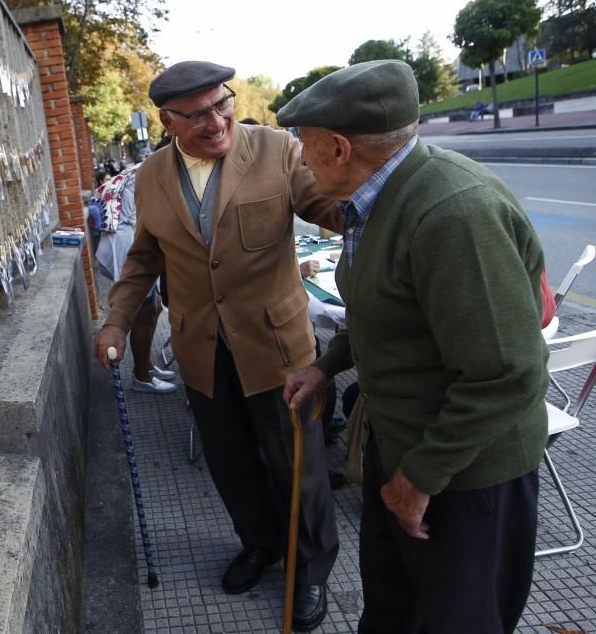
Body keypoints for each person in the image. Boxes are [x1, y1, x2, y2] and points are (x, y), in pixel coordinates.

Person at [279, 60, 548, 634]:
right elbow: (381, 311)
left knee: (458, 620)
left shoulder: (452, 213)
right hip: (405, 450)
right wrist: (327, 367)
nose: (299, 158)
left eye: (303, 144)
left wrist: (417, 479)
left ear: (338, 147)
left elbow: (507, 373)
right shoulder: (375, 200)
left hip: (466, 474)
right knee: (392, 610)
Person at [95, 60, 342, 631]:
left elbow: (329, 207)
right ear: (168, 120)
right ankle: (260, 543)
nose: (216, 121)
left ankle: (310, 568)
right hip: (201, 349)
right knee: (229, 460)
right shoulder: (151, 176)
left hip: (278, 346)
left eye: (221, 104)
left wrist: (372, 201)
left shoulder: (277, 149)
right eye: (198, 113)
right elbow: (143, 260)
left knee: (295, 463)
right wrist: (115, 320)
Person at [95, 166, 176, 393]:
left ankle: (147, 366)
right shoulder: (160, 171)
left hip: (126, 237)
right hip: (125, 243)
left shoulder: (147, 169)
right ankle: (141, 376)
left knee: (155, 307)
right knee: (144, 311)